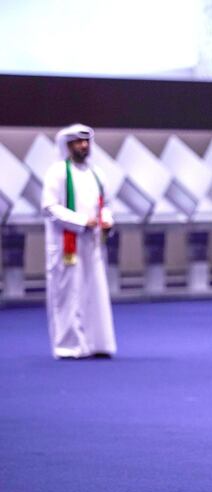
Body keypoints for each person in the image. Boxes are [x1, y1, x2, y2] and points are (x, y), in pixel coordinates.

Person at [42, 124, 117, 359]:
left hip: (92, 245)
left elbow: (105, 205)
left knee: (94, 292)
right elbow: (50, 207)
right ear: (68, 145)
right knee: (68, 293)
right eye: (77, 142)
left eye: (86, 142)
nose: (83, 146)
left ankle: (97, 343)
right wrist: (82, 221)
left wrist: (106, 220)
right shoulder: (58, 172)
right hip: (66, 244)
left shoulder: (97, 174)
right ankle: (69, 346)